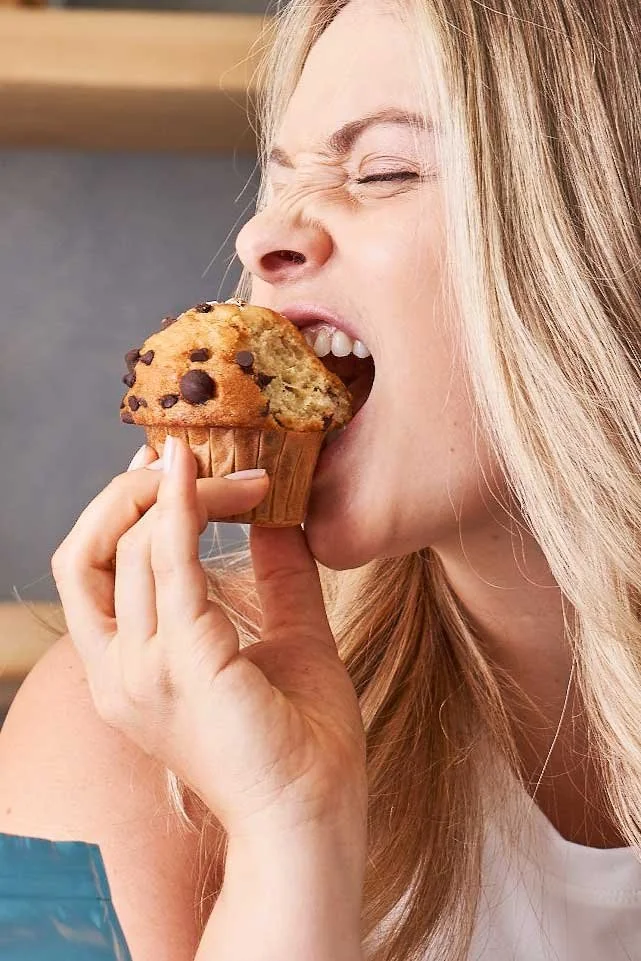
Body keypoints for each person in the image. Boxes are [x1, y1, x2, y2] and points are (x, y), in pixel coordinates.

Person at [1, 0, 640, 958]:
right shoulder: (104, 733)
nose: (262, 236)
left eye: (381, 170)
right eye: (280, 177)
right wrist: (285, 831)